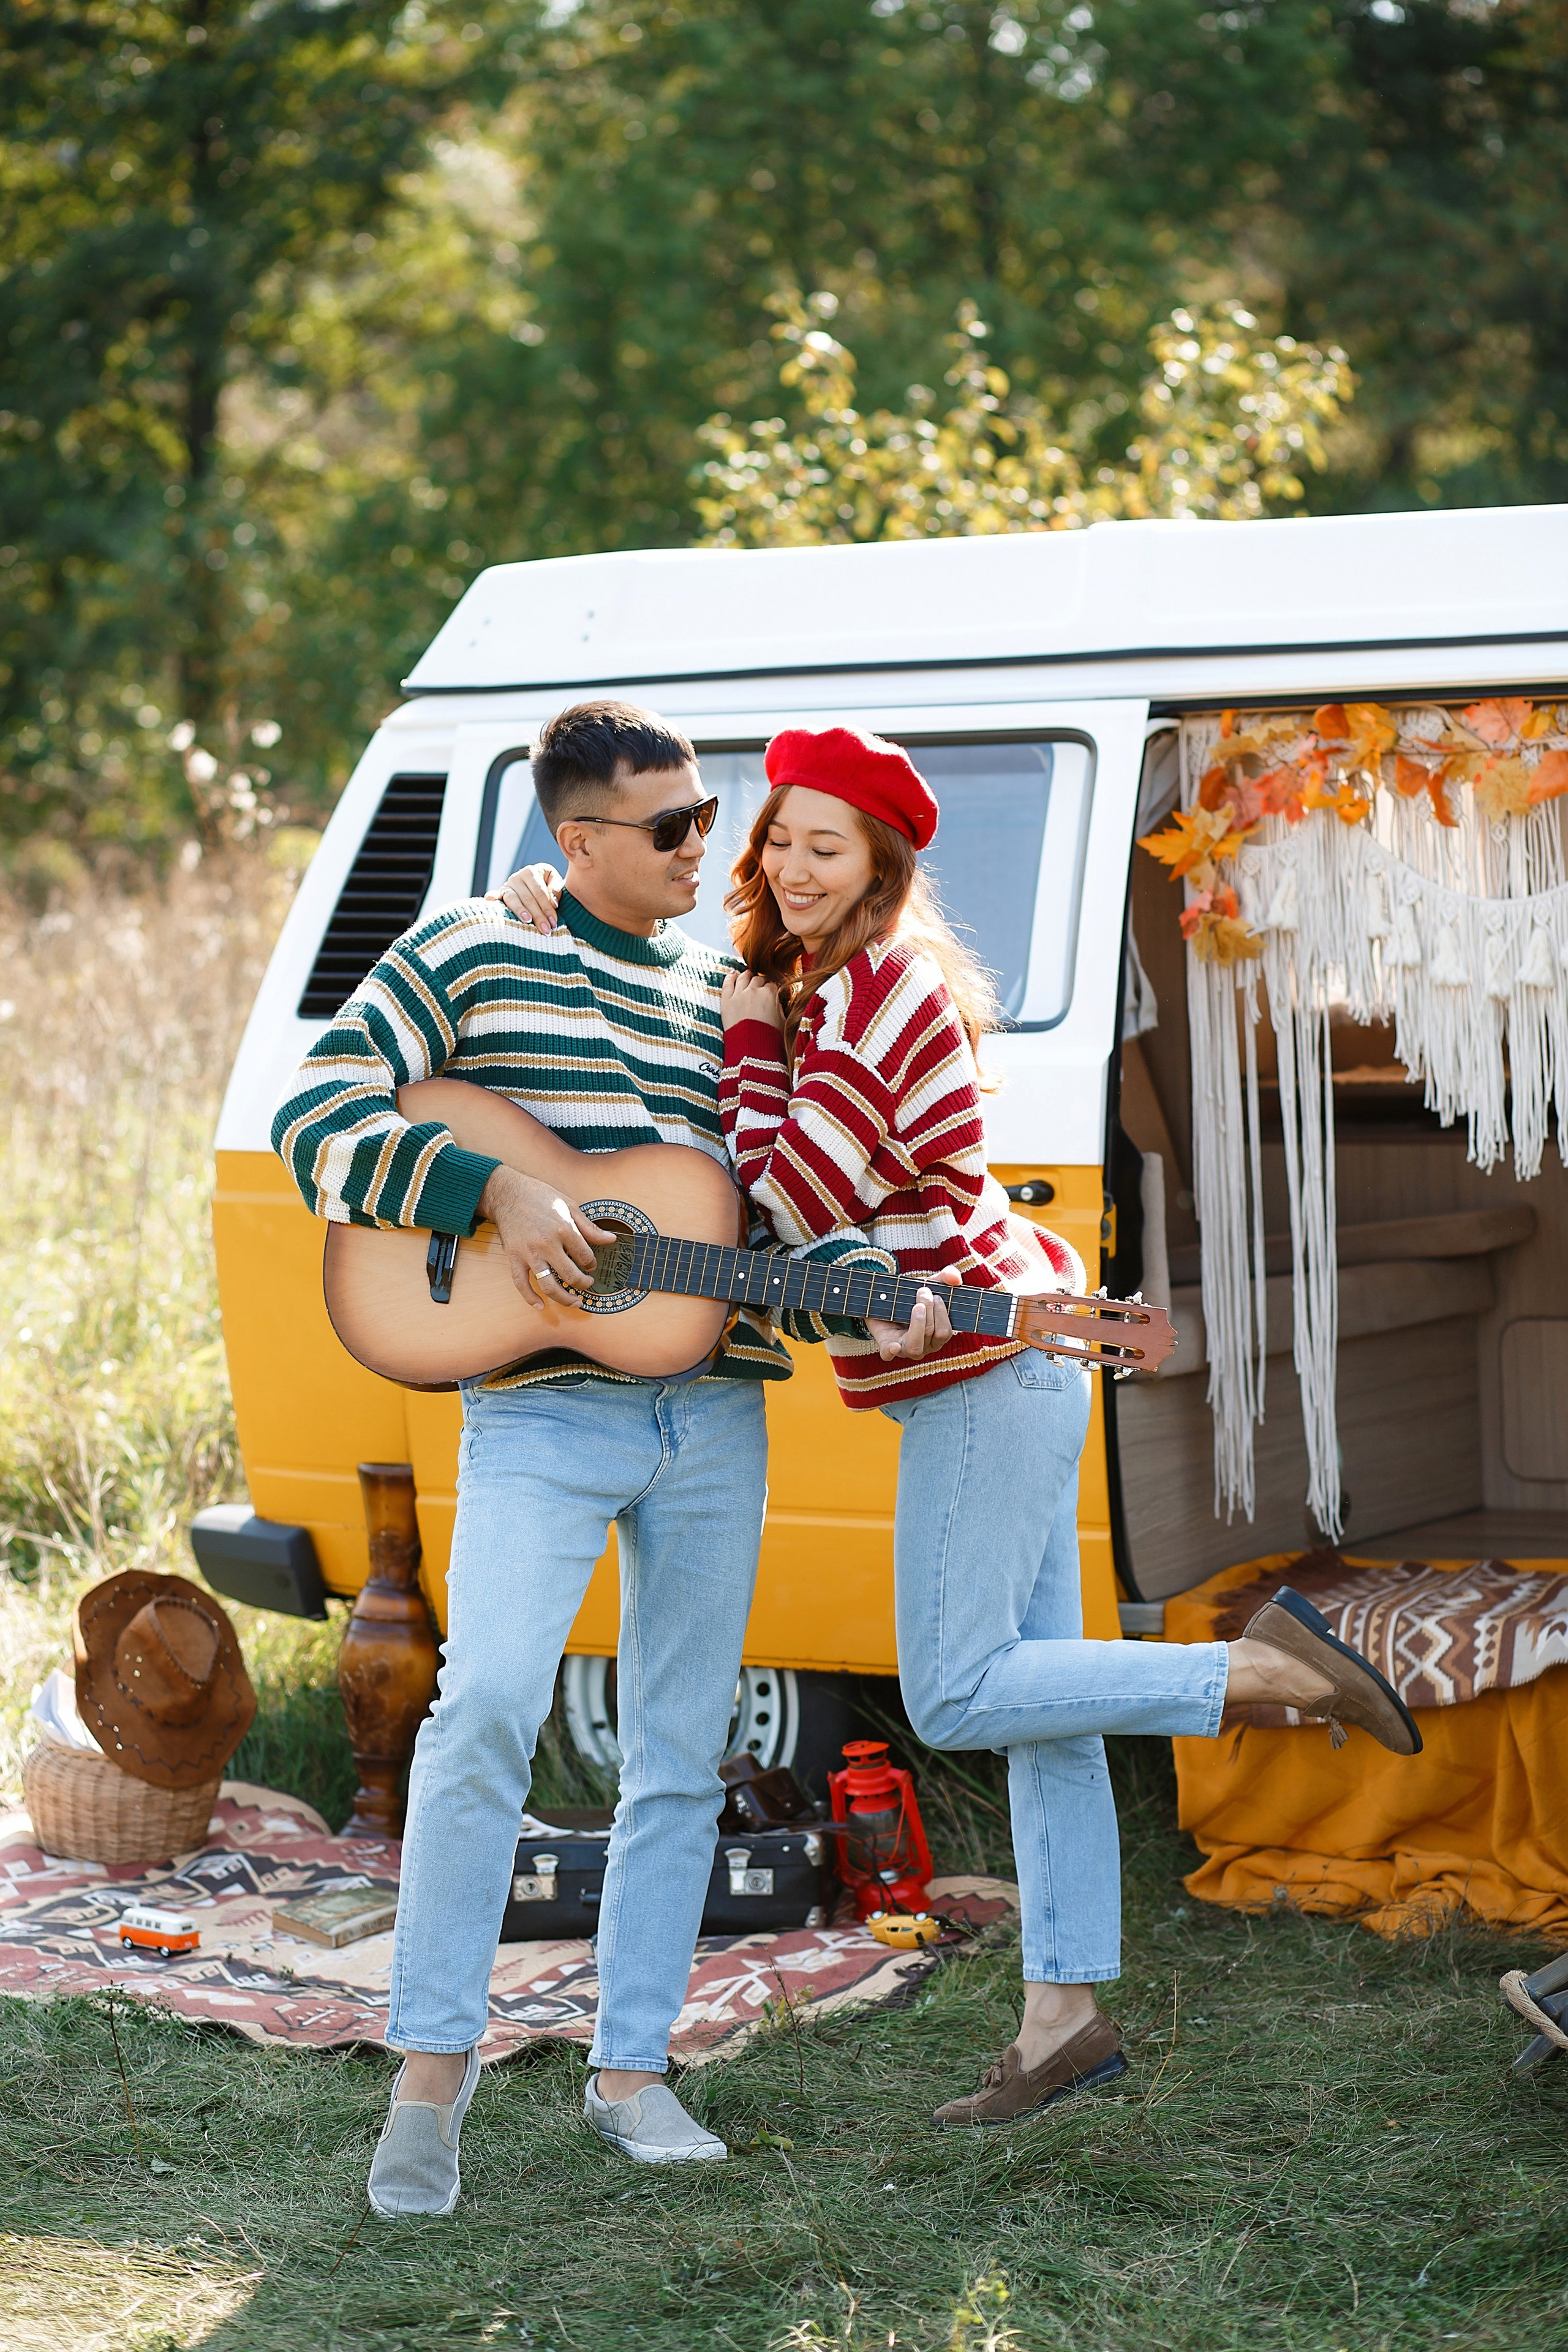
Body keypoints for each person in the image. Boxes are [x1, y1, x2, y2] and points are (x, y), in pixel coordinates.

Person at [708, 724, 1422, 2127]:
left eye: (823, 846)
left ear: (881, 867)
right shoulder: (842, 987)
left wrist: (741, 1029)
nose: (791, 867)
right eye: (780, 837)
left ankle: (1260, 1681)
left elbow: (783, 1195)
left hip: (987, 1369)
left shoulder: (868, 996)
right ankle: (1063, 2024)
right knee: (1041, 1707)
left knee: (955, 1690)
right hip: (1000, 1356)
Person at [273, 701, 891, 2214]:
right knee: (479, 1707)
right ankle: (431, 2075)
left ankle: (632, 2071)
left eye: (708, 814)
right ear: (577, 841)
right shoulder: (480, 948)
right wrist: (494, 1195)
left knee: (678, 1750)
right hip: (539, 1414)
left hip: (712, 1414)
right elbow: (318, 1111)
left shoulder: (739, 989)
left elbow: (761, 1206)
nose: (708, 844)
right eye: (673, 825)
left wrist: (875, 1275)